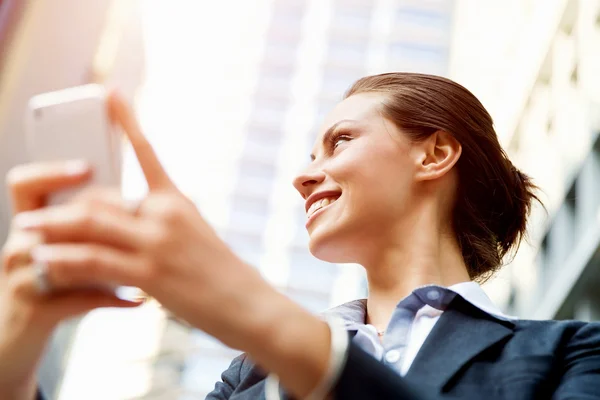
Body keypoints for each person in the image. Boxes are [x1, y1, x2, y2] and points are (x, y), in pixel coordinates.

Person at [0, 73, 598, 400]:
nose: (303, 174)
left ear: (435, 153)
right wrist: (14, 359)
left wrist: (254, 311)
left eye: (340, 141)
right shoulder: (251, 377)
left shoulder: (572, 355)